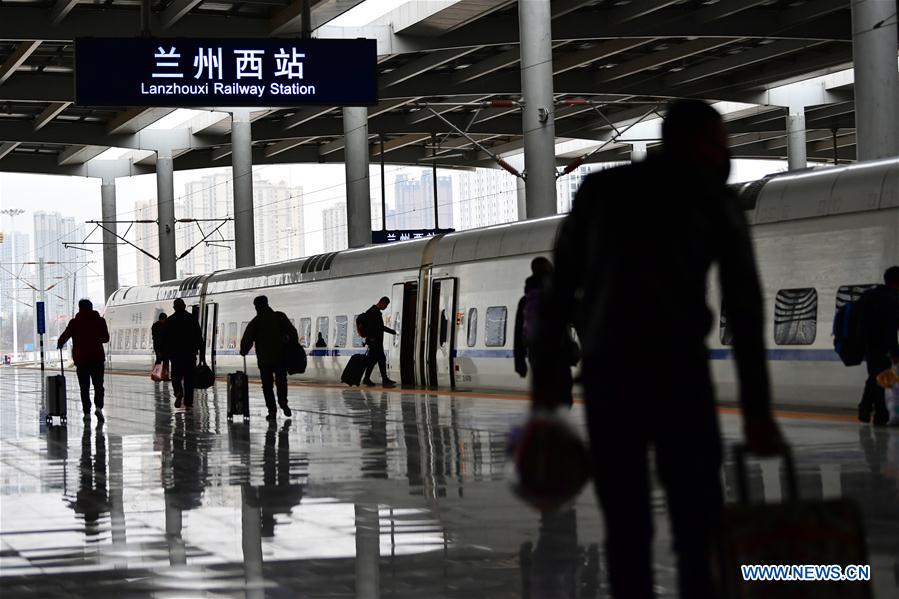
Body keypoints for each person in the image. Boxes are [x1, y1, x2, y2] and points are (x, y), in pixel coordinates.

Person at [532, 99, 785, 599]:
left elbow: (557, 300)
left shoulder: (600, 191)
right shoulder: (713, 197)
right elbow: (746, 305)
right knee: (699, 523)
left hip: (610, 383)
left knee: (626, 526)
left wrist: (544, 405)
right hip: (679, 379)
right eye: (721, 144)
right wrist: (757, 410)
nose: (725, 154)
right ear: (698, 143)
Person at [240, 295, 299, 421]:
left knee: (267, 386)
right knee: (281, 381)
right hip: (281, 357)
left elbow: (247, 340)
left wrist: (243, 351)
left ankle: (272, 411)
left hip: (264, 360)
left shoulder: (255, 322)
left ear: (256, 307)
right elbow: (293, 332)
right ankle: (283, 400)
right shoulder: (280, 317)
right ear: (267, 303)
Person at [857, 266, 899, 425]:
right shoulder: (891, 299)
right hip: (883, 347)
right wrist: (895, 352)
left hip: (869, 345)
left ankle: (865, 410)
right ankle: (881, 415)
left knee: (875, 378)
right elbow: (891, 329)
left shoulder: (872, 295)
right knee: (883, 380)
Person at [58, 299, 110, 422]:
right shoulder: (100, 321)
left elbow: (64, 337)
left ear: (80, 308)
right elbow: (106, 338)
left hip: (81, 360)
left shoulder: (75, 322)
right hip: (97, 358)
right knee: (98, 385)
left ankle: (86, 412)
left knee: (84, 387)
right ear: (91, 308)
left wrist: (60, 343)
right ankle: (98, 407)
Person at [514, 257, 553, 378]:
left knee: (542, 391)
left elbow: (518, 333)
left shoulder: (525, 300)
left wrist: (519, 363)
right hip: (558, 354)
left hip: (536, 355)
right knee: (561, 393)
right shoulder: (555, 297)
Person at [164, 298, 203, 409]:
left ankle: (178, 392)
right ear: (185, 306)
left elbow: (165, 340)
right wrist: (201, 353)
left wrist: (166, 355)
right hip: (190, 355)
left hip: (176, 356)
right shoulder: (192, 319)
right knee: (189, 379)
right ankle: (188, 402)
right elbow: (199, 338)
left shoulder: (169, 321)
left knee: (176, 377)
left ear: (174, 308)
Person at [361, 296, 397, 388]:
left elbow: (378, 327)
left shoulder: (373, 311)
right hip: (375, 341)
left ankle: (367, 379)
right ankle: (384, 380)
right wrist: (391, 331)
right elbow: (379, 327)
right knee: (381, 359)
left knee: (374, 361)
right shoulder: (374, 312)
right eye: (386, 305)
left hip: (374, 341)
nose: (385, 307)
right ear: (381, 302)